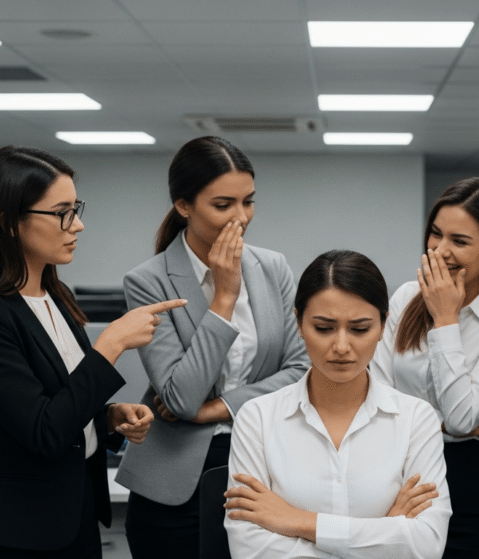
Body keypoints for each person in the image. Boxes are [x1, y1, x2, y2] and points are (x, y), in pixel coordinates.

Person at [0, 146, 182, 558]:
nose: (78, 225)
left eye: (76, 208)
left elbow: (58, 403)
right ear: (8, 223)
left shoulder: (55, 295)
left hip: (73, 519)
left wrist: (105, 418)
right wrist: (112, 343)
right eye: (62, 212)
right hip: (13, 536)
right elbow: (42, 431)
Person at [115, 135, 309, 558]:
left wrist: (215, 409)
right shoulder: (148, 281)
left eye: (249, 202)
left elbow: (300, 370)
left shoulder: (272, 267)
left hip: (263, 466)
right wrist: (223, 297)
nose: (240, 218)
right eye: (223, 205)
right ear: (184, 205)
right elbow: (181, 397)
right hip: (175, 484)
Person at [225, 249, 452, 558]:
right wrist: (385, 531)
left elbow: (425, 545)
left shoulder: (416, 419)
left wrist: (299, 522)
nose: (342, 346)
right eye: (323, 328)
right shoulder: (257, 418)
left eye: (360, 329)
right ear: (299, 323)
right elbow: (250, 549)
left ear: (383, 326)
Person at [369, 177, 479, 557]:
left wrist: (445, 319)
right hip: (404, 473)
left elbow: (465, 419)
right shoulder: (405, 297)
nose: (440, 250)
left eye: (459, 241)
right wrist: (442, 423)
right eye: (436, 234)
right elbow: (375, 400)